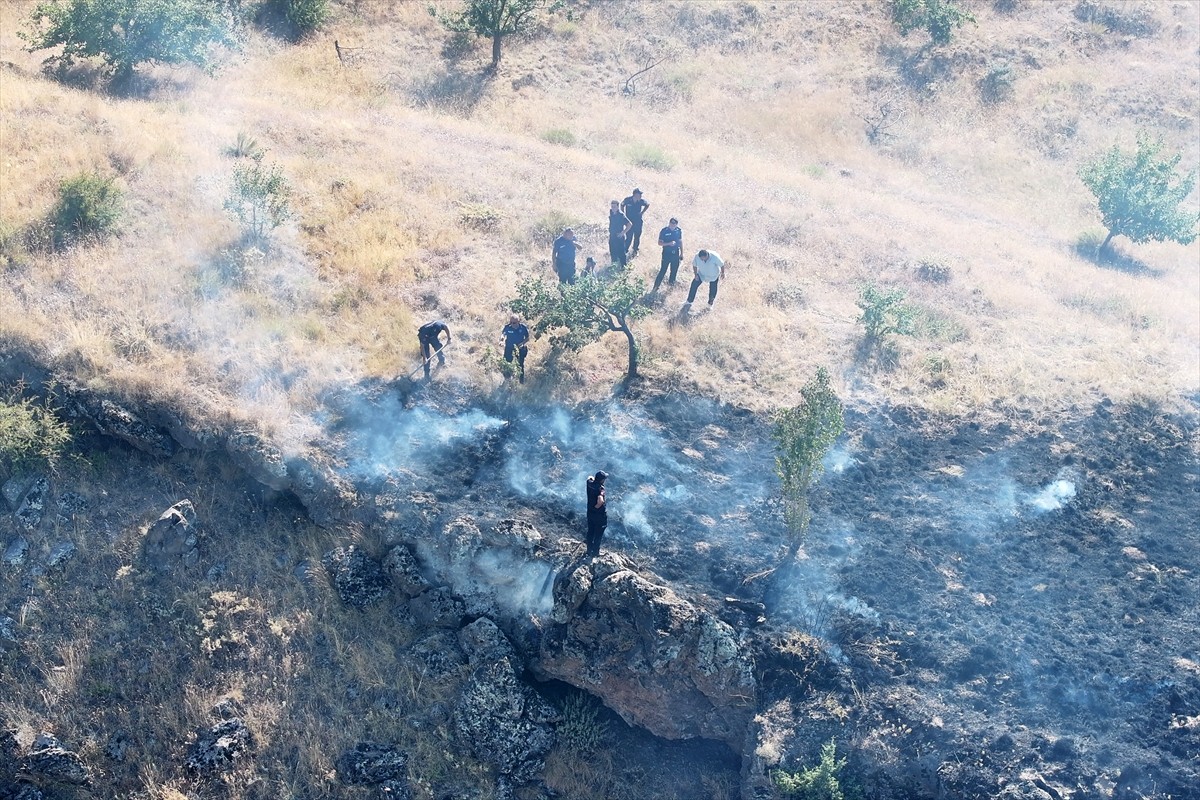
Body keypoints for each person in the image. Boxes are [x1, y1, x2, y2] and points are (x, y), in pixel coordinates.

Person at [653, 217, 683, 292]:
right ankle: (656, 287)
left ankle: (670, 287)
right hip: (666, 253)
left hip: (675, 253)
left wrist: (682, 253)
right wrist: (669, 243)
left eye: (674, 223)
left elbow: (680, 242)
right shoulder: (664, 231)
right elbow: (659, 243)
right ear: (669, 223)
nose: (672, 225)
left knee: (674, 271)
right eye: (671, 223)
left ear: (676, 224)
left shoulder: (678, 231)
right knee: (663, 270)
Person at [621, 188, 650, 258]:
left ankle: (635, 250)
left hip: (638, 222)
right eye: (639, 194)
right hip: (629, 222)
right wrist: (623, 214)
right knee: (629, 237)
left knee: (637, 236)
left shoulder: (641, 201)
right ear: (635, 194)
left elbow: (647, 204)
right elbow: (622, 205)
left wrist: (642, 212)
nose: (640, 196)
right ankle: (625, 250)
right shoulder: (628, 200)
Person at [501, 314, 530, 384]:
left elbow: (527, 338)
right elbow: (503, 334)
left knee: (520, 365)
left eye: (514, 323)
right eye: (510, 322)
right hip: (509, 348)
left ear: (518, 322)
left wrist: (522, 343)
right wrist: (501, 340)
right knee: (506, 364)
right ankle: (507, 380)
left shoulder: (523, 328)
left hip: (519, 349)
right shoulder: (508, 327)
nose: (512, 324)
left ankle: (521, 382)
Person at [585, 470, 608, 557]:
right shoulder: (600, 489)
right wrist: (597, 506)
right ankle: (595, 553)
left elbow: (589, 477)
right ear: (602, 480)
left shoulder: (589, 483)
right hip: (599, 516)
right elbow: (600, 501)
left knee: (590, 531)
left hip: (590, 513)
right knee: (598, 534)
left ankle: (588, 550)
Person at [608, 201, 632, 268]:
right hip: (612, 236)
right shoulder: (611, 212)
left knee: (621, 254)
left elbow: (629, 224)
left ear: (618, 207)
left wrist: (623, 232)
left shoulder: (621, 215)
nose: (613, 208)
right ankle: (614, 267)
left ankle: (623, 268)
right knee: (613, 253)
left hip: (619, 237)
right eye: (612, 206)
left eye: (614, 207)